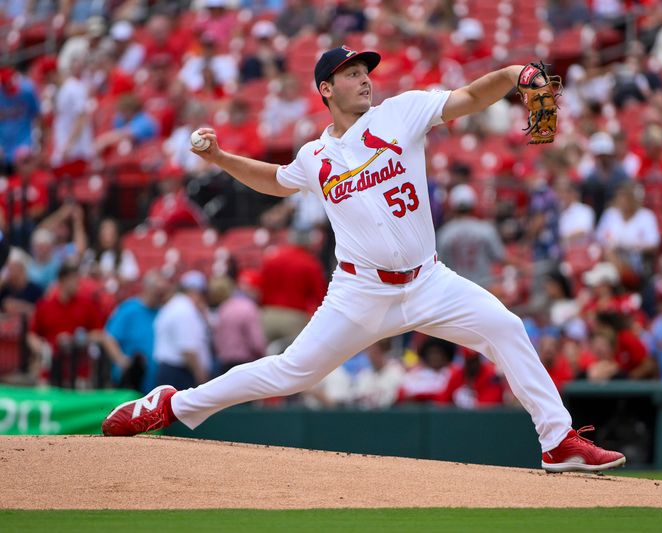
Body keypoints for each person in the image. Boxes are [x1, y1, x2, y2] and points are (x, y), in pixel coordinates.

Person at [103, 47, 625, 473]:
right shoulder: (315, 155)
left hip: (428, 281)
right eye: (350, 74)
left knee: (507, 327)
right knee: (292, 373)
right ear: (326, 89)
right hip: (359, 291)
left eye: (365, 71)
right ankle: (170, 405)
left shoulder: (402, 112)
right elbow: (277, 181)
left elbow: (468, 96)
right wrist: (219, 159)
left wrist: (514, 74)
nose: (364, 80)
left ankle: (557, 440)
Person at [103, 271, 170, 393]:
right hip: (131, 381)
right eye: (157, 290)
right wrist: (121, 360)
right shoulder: (129, 309)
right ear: (147, 288)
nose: (160, 295)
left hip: (154, 383)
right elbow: (109, 337)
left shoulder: (163, 312)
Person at [436, 184, 506, 289]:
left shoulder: (444, 233)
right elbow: (500, 257)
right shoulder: (485, 229)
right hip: (483, 289)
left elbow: (438, 265)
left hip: (455, 290)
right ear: (473, 205)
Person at [152, 271, 213, 390]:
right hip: (179, 373)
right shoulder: (185, 309)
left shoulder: (176, 305)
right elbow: (188, 350)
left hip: (172, 370)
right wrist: (201, 377)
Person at [213, 269, 267, 375]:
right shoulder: (250, 308)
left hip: (224, 363)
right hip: (244, 365)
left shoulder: (225, 305)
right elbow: (257, 343)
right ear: (254, 289)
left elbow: (217, 338)